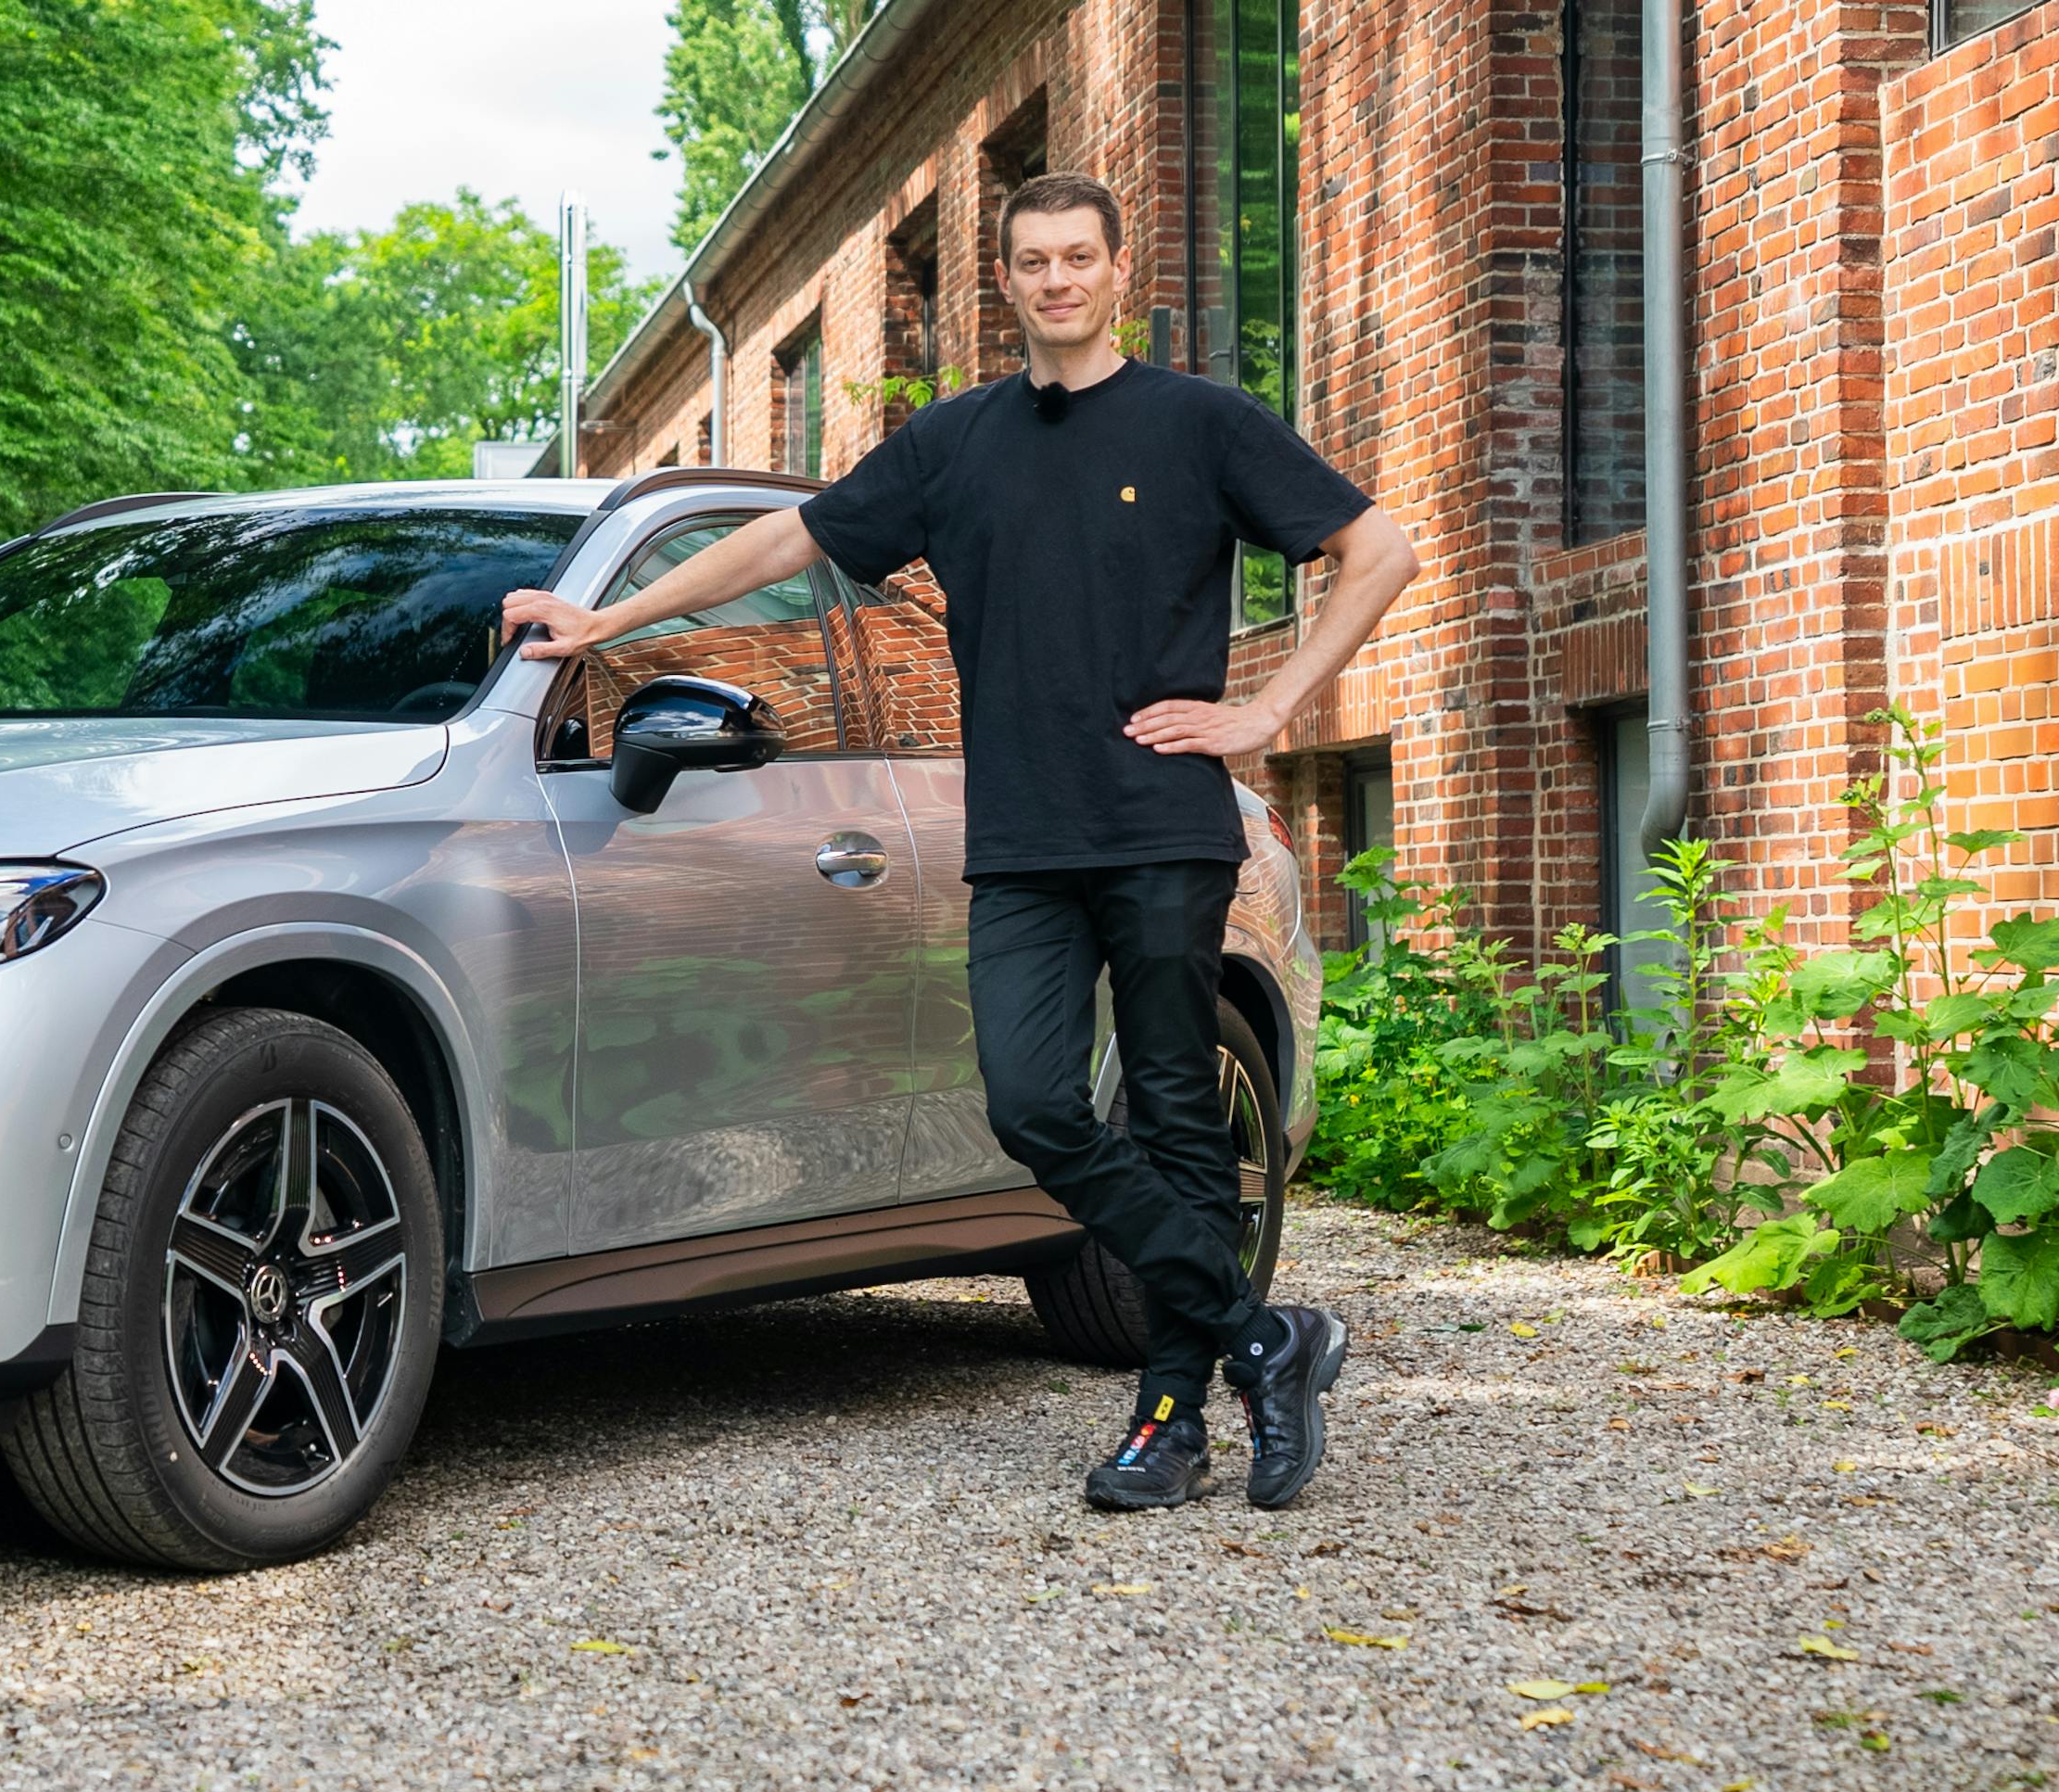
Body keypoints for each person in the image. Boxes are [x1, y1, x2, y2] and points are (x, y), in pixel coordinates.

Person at [500, 172, 1417, 1512]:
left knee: (1169, 1112)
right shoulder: (956, 443)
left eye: (1077, 260)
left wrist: (1272, 706)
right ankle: (1262, 1335)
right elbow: (782, 539)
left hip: (1163, 826)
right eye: (1032, 262)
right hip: (1026, 840)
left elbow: (1377, 548)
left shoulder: (1199, 423)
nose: (1056, 281)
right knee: (1034, 1103)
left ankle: (1172, 1415)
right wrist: (606, 625)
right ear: (1007, 283)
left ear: (1117, 273)